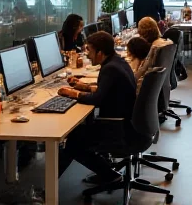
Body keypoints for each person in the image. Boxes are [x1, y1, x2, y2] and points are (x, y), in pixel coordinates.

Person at [57, 32, 137, 184]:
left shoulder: (110, 68)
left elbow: (98, 99)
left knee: (74, 141)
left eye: (90, 51)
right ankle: (107, 173)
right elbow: (107, 90)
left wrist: (74, 93)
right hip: (127, 122)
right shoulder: (116, 61)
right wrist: (84, 87)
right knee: (77, 136)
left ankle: (47, 189)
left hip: (118, 128)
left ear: (100, 53)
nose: (87, 55)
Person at [134, 18, 172, 92]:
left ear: (141, 32)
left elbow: (142, 71)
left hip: (145, 87)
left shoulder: (154, 49)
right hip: (159, 83)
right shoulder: (166, 43)